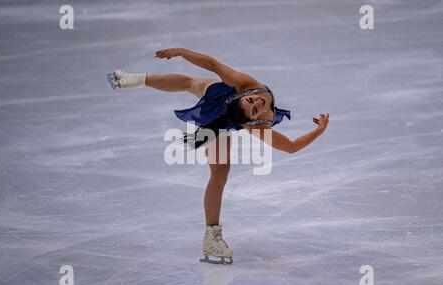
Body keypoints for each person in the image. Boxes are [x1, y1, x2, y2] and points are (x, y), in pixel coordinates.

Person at [107, 48, 329, 264]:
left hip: (224, 108)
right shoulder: (250, 104)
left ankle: (135, 82)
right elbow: (291, 146)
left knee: (195, 92)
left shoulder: (251, 103)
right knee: (219, 169)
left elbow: (290, 147)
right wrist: (180, 51)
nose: (259, 102)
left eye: (253, 104)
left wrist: (182, 52)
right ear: (247, 108)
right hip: (214, 104)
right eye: (253, 105)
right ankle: (212, 237)